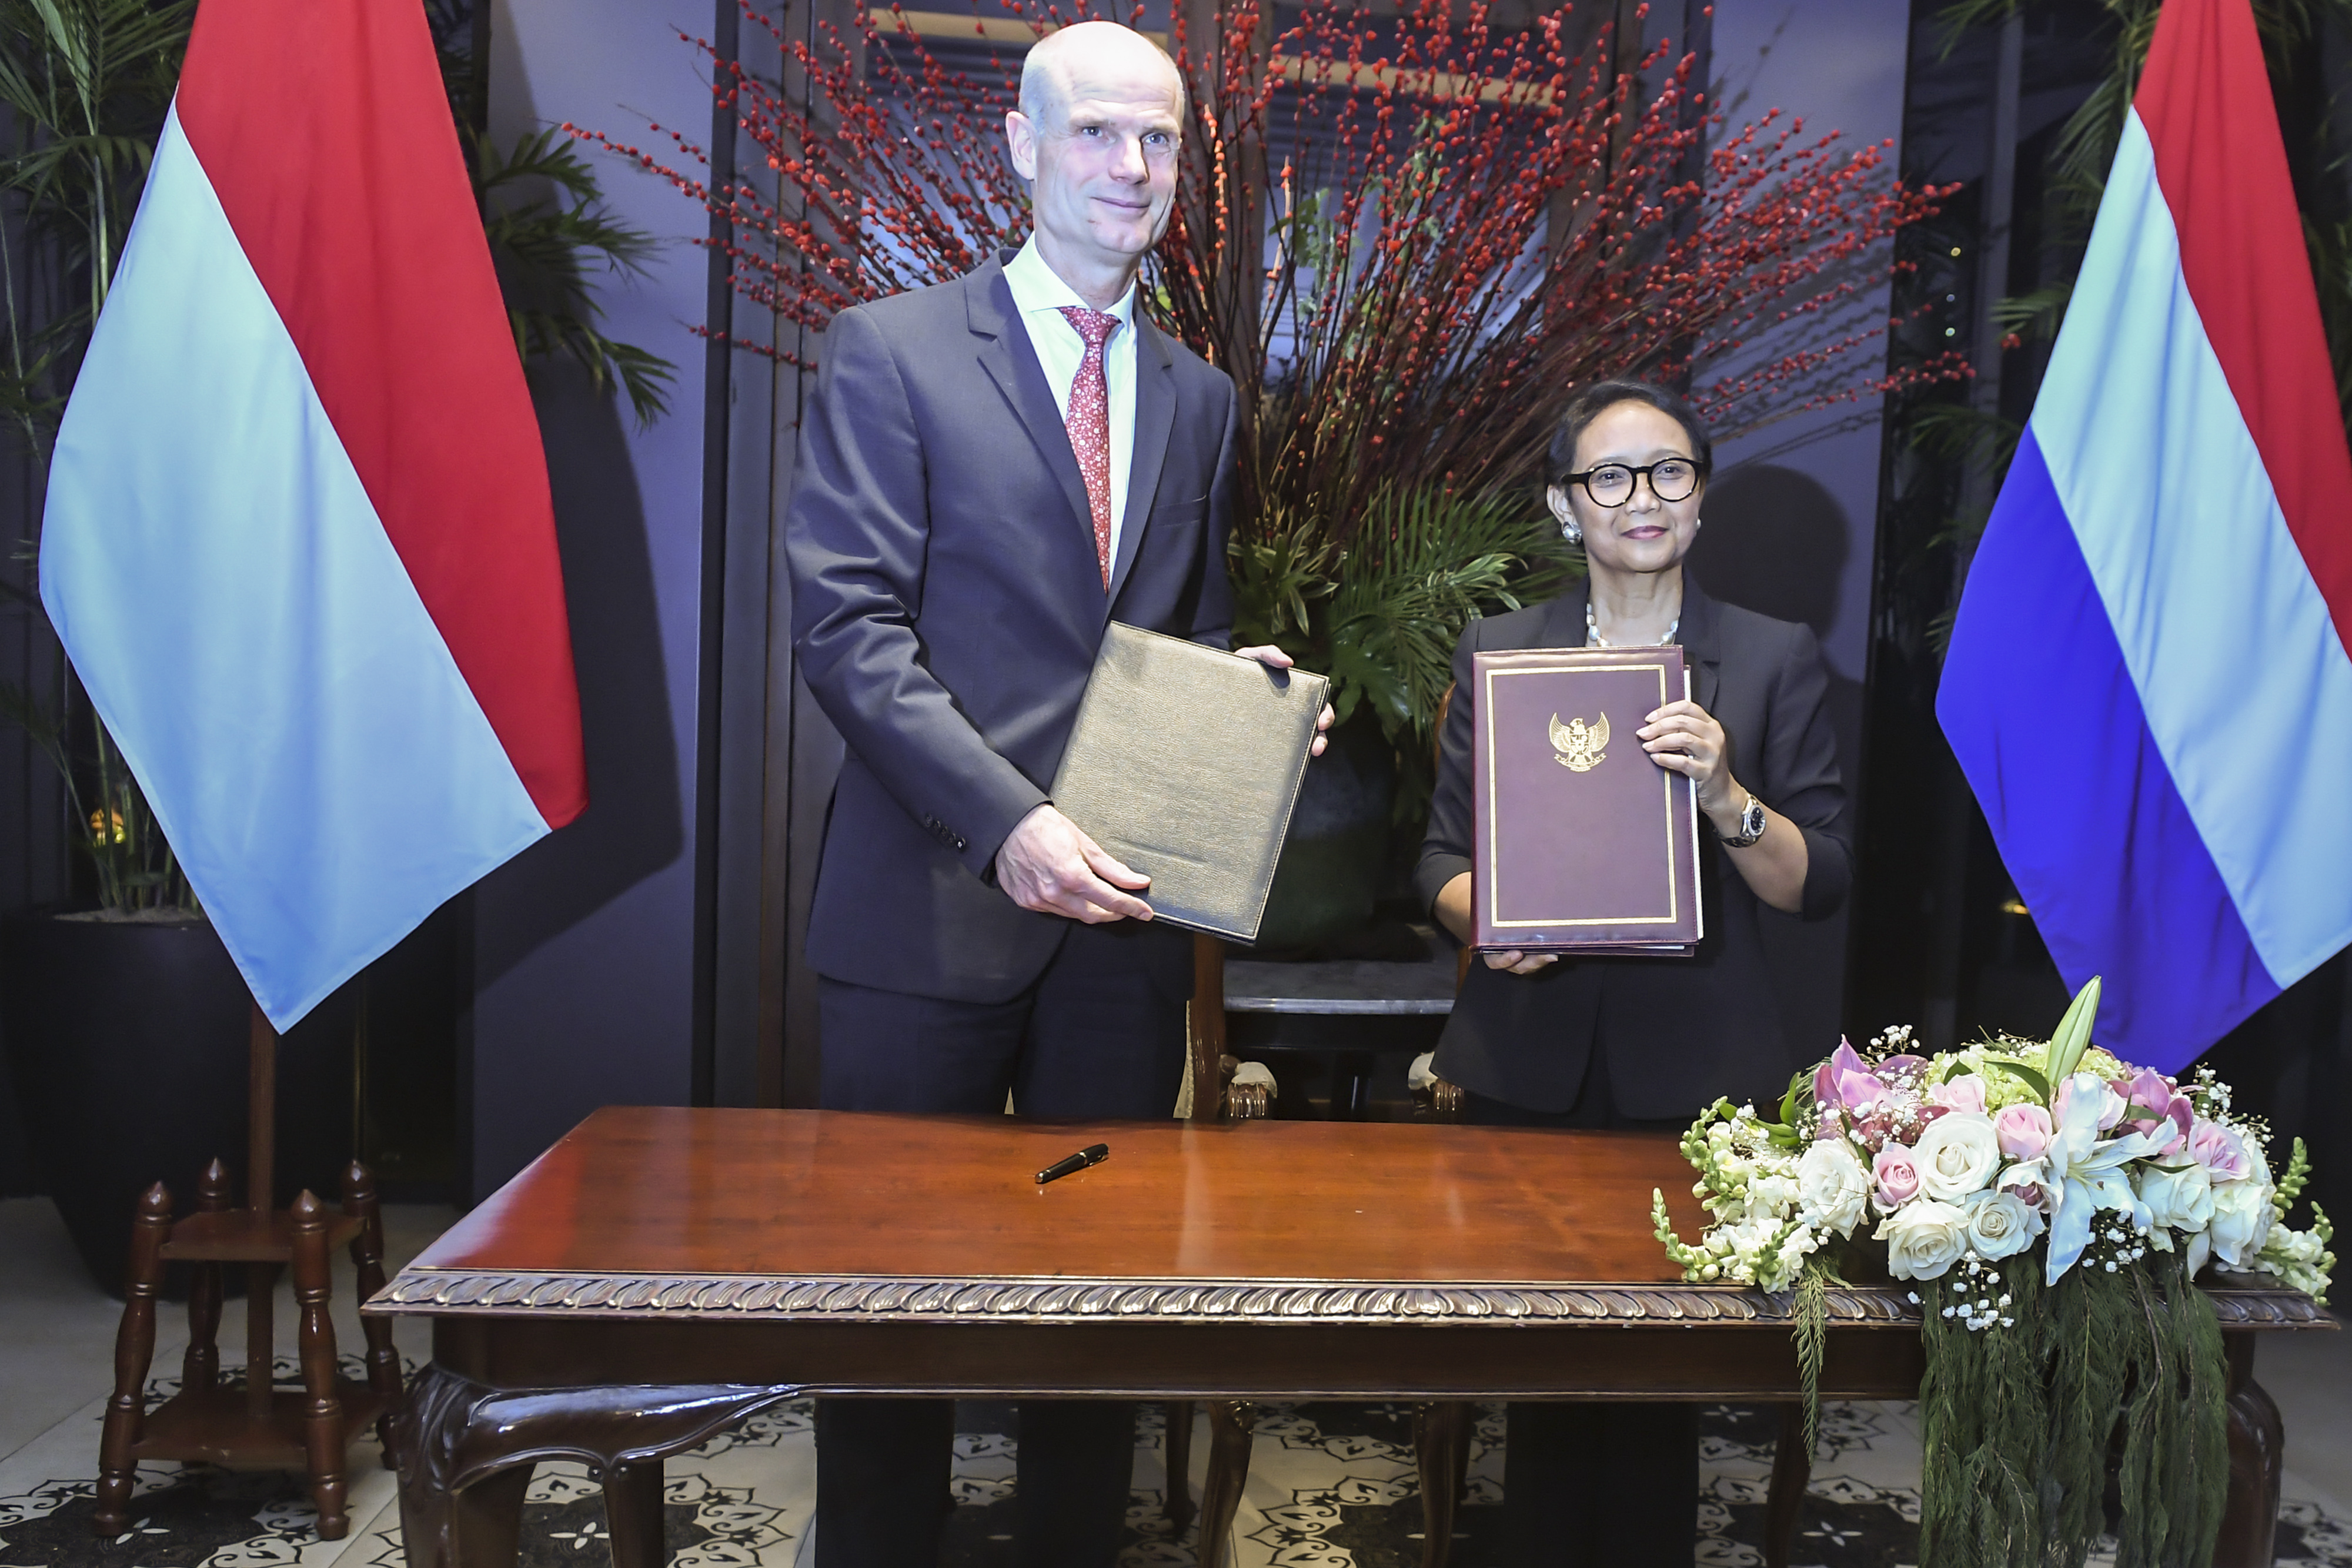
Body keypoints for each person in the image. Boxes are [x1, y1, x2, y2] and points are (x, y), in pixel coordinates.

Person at [785, 20, 1325, 1568]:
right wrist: (1008, 824)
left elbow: (1174, 640)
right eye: (1096, 133)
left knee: (1092, 1316)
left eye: (1159, 141)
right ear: (1020, 149)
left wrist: (1248, 701)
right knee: (885, 1319)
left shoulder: (1205, 398)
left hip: (1120, 929)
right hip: (922, 911)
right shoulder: (888, 349)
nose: (1131, 167)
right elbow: (848, 629)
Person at [1415, 379, 1853, 1566]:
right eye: (1608, 476)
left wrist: (1723, 794)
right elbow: (1441, 857)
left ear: (1699, 498)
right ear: (1565, 507)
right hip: (1525, 1058)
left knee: (1660, 1378)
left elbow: (1815, 878)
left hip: (1696, 1075)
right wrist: (1483, 921)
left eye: (1666, 471)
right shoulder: (1501, 651)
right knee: (1540, 1372)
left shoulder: (1767, 658)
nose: (1639, 498)